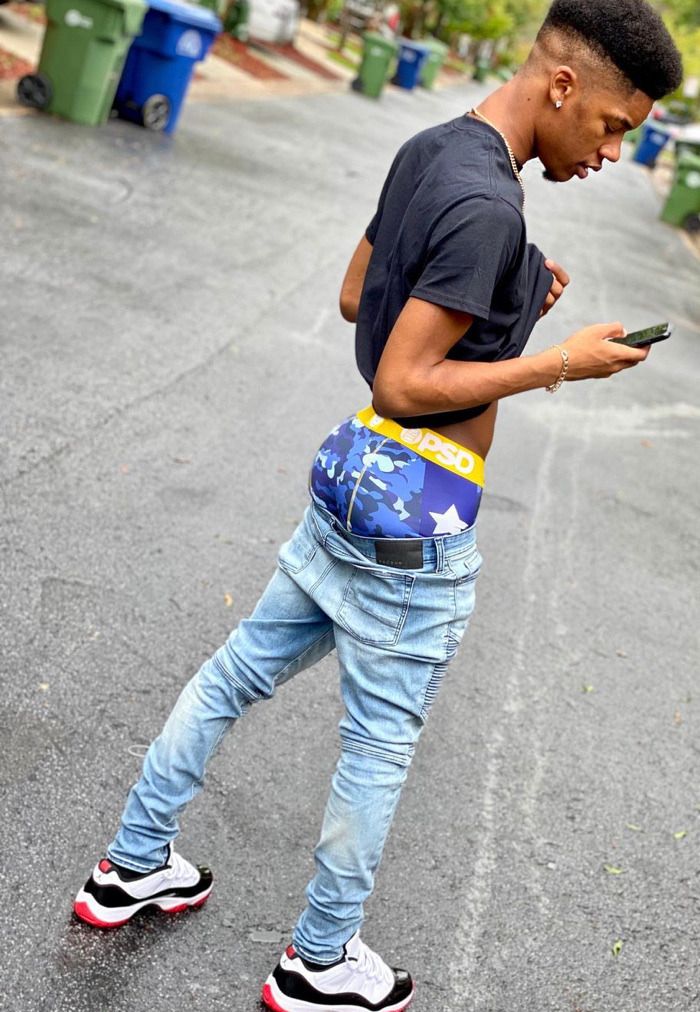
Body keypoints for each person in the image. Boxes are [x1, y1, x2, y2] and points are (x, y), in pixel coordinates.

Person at [73, 1, 682, 1010]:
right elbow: (403, 381)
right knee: (379, 746)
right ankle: (319, 961)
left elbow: (364, 291)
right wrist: (557, 361)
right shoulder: (491, 207)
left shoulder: (433, 147)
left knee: (232, 677)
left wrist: (517, 292)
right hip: (419, 510)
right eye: (616, 125)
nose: (615, 151)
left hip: (348, 479)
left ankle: (130, 864)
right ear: (565, 87)